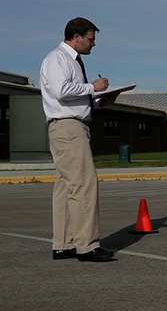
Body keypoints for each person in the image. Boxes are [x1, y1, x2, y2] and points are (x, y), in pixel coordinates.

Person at [40, 17, 117, 262]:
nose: (93, 44)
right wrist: (93, 87)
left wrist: (100, 100)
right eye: (90, 39)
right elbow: (62, 91)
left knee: (67, 185)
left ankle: (64, 243)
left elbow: (70, 96)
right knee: (84, 183)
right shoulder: (58, 58)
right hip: (69, 128)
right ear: (76, 37)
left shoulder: (71, 61)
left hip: (70, 126)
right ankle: (87, 245)